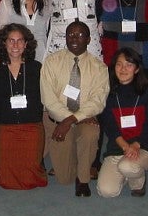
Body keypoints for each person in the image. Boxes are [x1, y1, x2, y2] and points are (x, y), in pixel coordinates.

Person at [40, 21, 109, 197]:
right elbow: (48, 99)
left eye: (79, 35)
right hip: (58, 119)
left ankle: (84, 179)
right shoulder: (51, 62)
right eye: (70, 34)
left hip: (84, 121)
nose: (74, 39)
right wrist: (70, 118)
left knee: (89, 134)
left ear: (88, 39)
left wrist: (72, 119)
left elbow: (97, 101)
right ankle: (76, 165)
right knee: (64, 178)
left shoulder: (99, 67)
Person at [0, 24, 46, 189]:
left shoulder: (36, 68)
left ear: (26, 44)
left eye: (20, 41)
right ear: (4, 44)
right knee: (6, 179)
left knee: (31, 179)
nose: (15, 45)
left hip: (31, 127)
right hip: (6, 128)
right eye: (11, 41)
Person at [97, 48, 148, 198]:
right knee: (106, 191)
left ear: (137, 69)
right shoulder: (108, 93)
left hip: (143, 147)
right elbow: (109, 126)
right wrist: (125, 146)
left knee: (127, 166)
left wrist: (136, 145)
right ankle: (124, 173)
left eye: (128, 65)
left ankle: (138, 182)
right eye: (119, 64)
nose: (123, 69)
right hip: (118, 147)